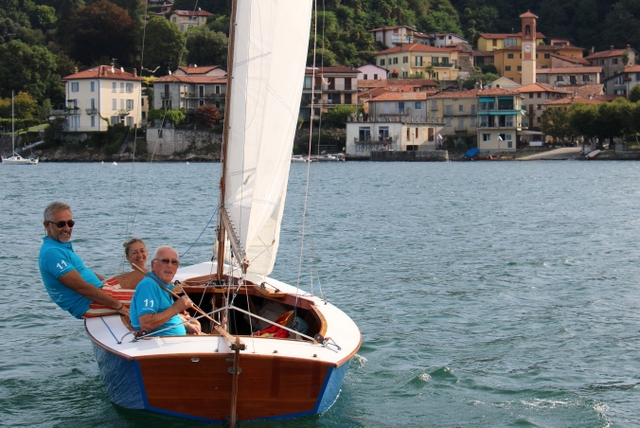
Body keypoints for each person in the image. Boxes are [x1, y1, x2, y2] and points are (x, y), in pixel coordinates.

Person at [39, 201, 129, 319]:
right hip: (89, 303)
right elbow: (81, 287)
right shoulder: (52, 253)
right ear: (47, 225)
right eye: (61, 224)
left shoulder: (59, 246)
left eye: (70, 223)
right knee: (152, 296)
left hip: (100, 290)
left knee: (143, 277)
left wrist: (105, 282)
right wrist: (119, 306)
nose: (67, 228)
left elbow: (81, 271)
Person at [129, 246, 202, 336]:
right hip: (159, 346)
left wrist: (186, 324)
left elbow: (164, 313)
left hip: (174, 341)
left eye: (174, 262)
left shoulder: (162, 285)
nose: (170, 265)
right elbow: (146, 324)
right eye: (165, 261)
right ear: (153, 265)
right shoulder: (148, 285)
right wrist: (177, 308)